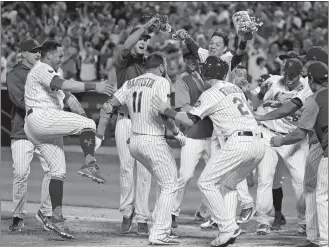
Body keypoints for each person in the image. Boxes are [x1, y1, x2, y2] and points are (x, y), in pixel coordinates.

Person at [152, 56, 266, 247]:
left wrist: (167, 110)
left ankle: (228, 227)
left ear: (207, 73)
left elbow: (189, 119)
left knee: (206, 182)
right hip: (258, 143)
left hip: (239, 142)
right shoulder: (234, 88)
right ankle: (227, 231)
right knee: (228, 184)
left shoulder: (210, 93)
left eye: (203, 70)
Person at [24, 40, 114, 239]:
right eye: (59, 56)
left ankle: (53, 217)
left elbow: (68, 97)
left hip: (40, 123)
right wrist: (95, 86)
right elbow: (62, 84)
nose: (62, 59)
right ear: (48, 56)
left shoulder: (54, 72)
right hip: (40, 117)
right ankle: (90, 164)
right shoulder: (41, 68)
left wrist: (82, 117)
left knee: (58, 171)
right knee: (89, 124)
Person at [95, 53, 185, 245]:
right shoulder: (161, 82)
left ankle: (156, 224)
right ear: (161, 67)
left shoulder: (130, 82)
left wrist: (99, 132)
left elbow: (109, 106)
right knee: (170, 184)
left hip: (133, 141)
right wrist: (177, 133)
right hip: (152, 140)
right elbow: (162, 114)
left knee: (163, 181)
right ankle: (160, 232)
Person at [95, 17, 163, 235]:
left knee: (145, 170)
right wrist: (144, 26)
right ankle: (127, 212)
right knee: (126, 167)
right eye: (140, 37)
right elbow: (125, 46)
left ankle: (142, 216)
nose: (143, 40)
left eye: (146, 38)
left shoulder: (150, 64)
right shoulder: (123, 59)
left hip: (145, 122)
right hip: (124, 119)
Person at [243, 58, 312, 235]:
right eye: (286, 73)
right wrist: (254, 93)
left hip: (292, 139)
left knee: (300, 181)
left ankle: (304, 220)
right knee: (265, 178)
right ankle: (263, 221)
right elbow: (256, 102)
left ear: (300, 74)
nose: (287, 77)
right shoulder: (273, 81)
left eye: (292, 74)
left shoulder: (307, 87)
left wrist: (281, 104)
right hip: (268, 134)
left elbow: (302, 111)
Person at [270, 61, 328, 247]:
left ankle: (323, 240)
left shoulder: (314, 100)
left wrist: (280, 140)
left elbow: (299, 133)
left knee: (321, 195)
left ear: (310, 79)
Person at [6, 39, 51, 232]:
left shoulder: (45, 71)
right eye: (33, 51)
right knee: (21, 173)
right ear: (23, 53)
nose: (38, 54)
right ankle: (18, 215)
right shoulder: (15, 75)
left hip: (44, 130)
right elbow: (20, 100)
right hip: (22, 130)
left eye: (39, 51)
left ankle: (46, 213)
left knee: (53, 169)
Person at [174, 28, 250, 82]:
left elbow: (239, 55)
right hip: (209, 97)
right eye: (211, 43)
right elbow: (193, 47)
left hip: (225, 99)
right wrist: (185, 35)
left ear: (225, 48)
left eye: (218, 45)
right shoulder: (207, 54)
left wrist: (243, 41)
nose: (213, 46)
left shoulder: (228, 58)